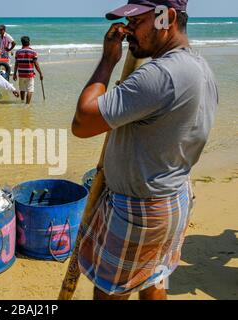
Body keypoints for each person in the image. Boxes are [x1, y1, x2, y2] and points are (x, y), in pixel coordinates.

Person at [72, 0, 218, 300]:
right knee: (154, 278)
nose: (127, 32)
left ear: (168, 18)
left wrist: (108, 61)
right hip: (172, 197)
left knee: (111, 292)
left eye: (137, 22)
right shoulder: (199, 66)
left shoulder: (161, 75)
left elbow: (83, 122)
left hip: (139, 211)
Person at [13, 36, 44, 105]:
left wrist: (14, 74)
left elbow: (16, 64)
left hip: (21, 74)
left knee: (22, 89)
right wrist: (40, 73)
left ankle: (22, 102)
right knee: (30, 90)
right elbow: (36, 64)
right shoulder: (33, 52)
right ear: (29, 42)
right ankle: (27, 105)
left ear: (22, 43)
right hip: (29, 74)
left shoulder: (18, 52)